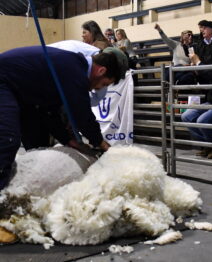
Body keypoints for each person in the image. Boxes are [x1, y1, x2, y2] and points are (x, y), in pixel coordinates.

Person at [0, 45, 128, 190]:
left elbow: (49, 111)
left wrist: (67, 140)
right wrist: (101, 143)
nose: (96, 89)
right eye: (103, 84)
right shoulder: (74, 70)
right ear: (101, 71)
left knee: (35, 143)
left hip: (20, 92)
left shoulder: (70, 68)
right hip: (4, 81)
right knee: (7, 138)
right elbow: (82, 114)